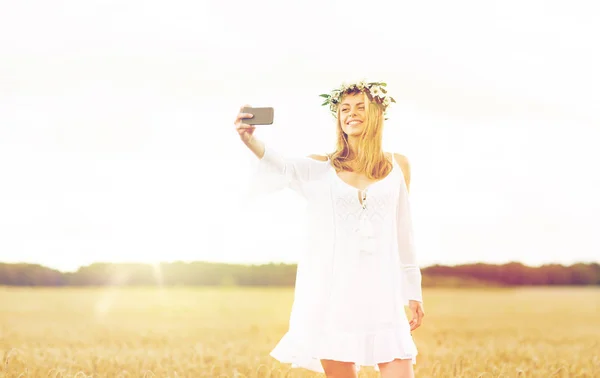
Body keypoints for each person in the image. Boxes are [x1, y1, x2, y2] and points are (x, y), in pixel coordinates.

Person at [234, 80, 425, 378]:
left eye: (361, 107)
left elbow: (405, 233)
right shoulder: (320, 168)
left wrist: (413, 292)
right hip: (333, 294)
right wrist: (249, 140)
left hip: (383, 292)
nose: (351, 114)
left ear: (378, 112)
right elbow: (281, 166)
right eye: (344, 109)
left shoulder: (399, 166)